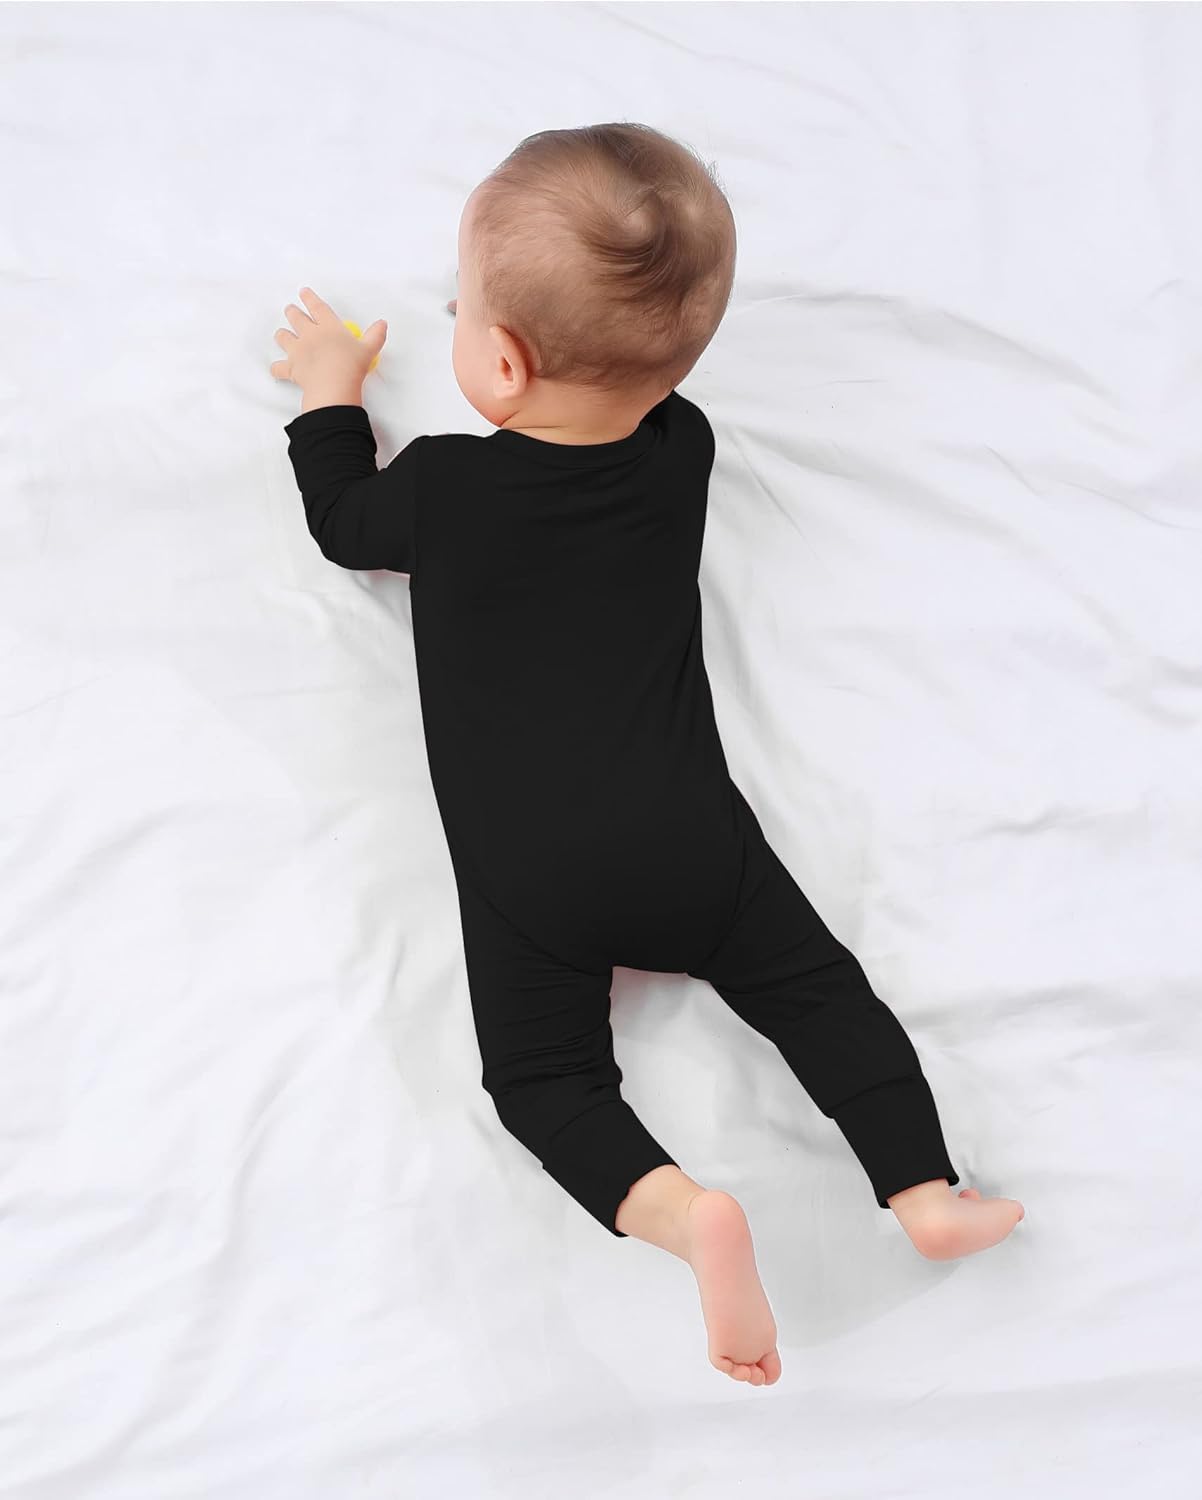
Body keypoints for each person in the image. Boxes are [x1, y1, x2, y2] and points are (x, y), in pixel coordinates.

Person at [274, 123, 1024, 1390]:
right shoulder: (682, 453)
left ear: (499, 362)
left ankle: (682, 1213)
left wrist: (329, 395)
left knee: (541, 1079)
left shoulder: (442, 491)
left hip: (536, 872)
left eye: (465, 309)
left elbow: (345, 524)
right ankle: (921, 1190)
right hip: (689, 842)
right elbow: (633, 381)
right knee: (818, 996)